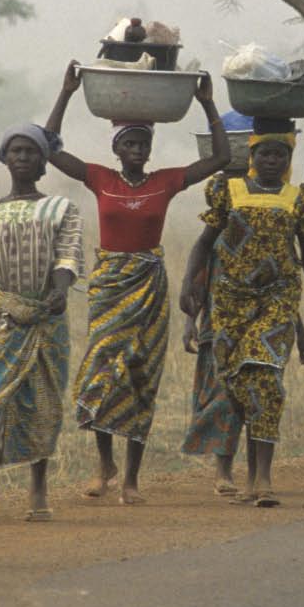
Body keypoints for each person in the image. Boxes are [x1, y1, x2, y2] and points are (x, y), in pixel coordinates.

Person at [43, 61, 230, 504]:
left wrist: (207, 103)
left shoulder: (165, 182)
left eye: (143, 143)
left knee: (142, 375)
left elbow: (221, 158)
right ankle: (103, 465)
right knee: (102, 373)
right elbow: (49, 149)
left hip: (149, 285)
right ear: (117, 147)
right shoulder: (99, 178)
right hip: (110, 285)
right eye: (129, 143)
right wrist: (67, 92)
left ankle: (130, 480)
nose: (137, 149)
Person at [179, 119, 304, 506]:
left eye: (280, 153)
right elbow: (203, 243)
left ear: (288, 158)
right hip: (229, 301)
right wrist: (188, 287)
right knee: (232, 387)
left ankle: (261, 478)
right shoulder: (227, 190)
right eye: (265, 153)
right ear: (252, 156)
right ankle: (231, 473)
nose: (272, 160)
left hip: (277, 300)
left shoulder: (300, 198)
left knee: (265, 381)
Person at [0, 123, 85, 524]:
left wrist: (60, 291)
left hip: (45, 319)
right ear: (4, 159)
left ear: (44, 163)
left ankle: (38, 491)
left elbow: (67, 256)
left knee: (41, 402)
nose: (22, 158)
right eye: (16, 151)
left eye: (31, 153)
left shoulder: (61, 209)